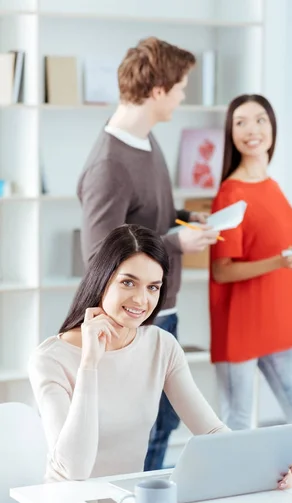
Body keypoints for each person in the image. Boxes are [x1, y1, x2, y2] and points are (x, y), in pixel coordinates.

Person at [28, 224, 292, 503]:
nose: (141, 299)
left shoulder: (161, 346)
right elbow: (74, 469)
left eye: (153, 287)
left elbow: (212, 431)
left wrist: (266, 464)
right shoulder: (51, 358)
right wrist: (90, 363)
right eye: (128, 282)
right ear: (103, 279)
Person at [77, 37, 219, 472]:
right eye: (180, 87)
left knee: (166, 421)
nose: (182, 96)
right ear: (158, 89)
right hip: (137, 313)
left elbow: (145, 214)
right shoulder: (110, 164)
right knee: (150, 427)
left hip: (161, 306)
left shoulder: (146, 141)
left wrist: (184, 215)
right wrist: (176, 243)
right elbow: (101, 254)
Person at [209, 94, 292, 464]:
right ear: (231, 133)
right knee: (237, 428)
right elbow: (221, 269)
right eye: (240, 122)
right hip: (241, 327)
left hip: (280, 324)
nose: (251, 129)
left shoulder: (271, 185)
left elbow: (279, 242)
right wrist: (279, 261)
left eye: (260, 120)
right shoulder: (230, 193)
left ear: (272, 128)